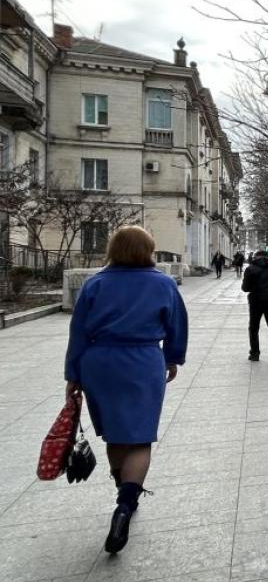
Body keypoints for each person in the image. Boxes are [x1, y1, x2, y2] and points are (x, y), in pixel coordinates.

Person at [64, 226, 188, 554]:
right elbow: (177, 324)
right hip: (143, 361)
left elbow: (77, 332)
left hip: (99, 363)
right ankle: (125, 504)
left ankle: (123, 491)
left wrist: (73, 374)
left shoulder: (95, 284)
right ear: (148, 249)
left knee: (116, 435)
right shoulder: (163, 283)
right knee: (140, 436)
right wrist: (173, 357)